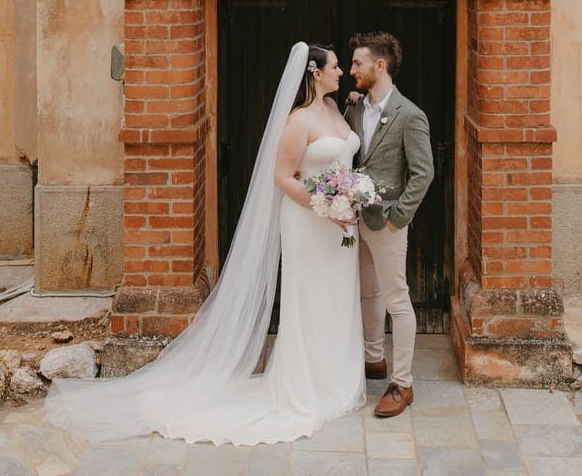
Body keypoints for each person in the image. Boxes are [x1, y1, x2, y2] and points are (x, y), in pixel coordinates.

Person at [46, 42, 365, 445]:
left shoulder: (338, 109)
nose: (342, 73)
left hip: (340, 226)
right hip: (310, 222)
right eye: (335, 67)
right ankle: (306, 387)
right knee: (309, 302)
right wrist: (326, 208)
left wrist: (348, 202)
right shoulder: (298, 121)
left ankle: (336, 382)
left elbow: (344, 159)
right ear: (315, 73)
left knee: (337, 299)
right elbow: (283, 178)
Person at [345, 30, 434, 418]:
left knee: (396, 297)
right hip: (354, 220)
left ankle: (402, 383)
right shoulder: (352, 108)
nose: (352, 71)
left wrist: (399, 218)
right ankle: (373, 360)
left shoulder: (410, 115)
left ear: (379, 65)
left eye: (358, 63)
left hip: (388, 223)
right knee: (368, 290)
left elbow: (423, 174)